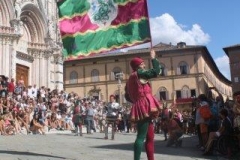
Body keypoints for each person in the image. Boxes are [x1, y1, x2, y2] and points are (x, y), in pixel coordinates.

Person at [125, 49, 162, 160]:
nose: (144, 65)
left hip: (141, 105)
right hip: (144, 106)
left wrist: (136, 101)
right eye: (142, 63)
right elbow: (156, 72)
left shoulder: (130, 79)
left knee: (150, 137)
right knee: (141, 137)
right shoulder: (139, 73)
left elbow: (127, 95)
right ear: (137, 66)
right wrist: (153, 58)